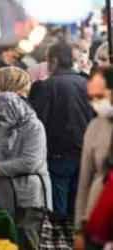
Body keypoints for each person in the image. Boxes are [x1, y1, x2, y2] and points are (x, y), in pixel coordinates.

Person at [0, 92, 52, 250]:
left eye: (4, 116)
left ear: (14, 109)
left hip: (30, 191)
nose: (2, 120)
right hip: (6, 191)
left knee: (28, 235)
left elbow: (31, 162)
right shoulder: (0, 127)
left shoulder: (34, 127)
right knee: (10, 235)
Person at [29, 41, 94, 217]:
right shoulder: (87, 84)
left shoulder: (46, 86)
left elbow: (36, 123)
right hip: (85, 155)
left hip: (58, 157)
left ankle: (61, 242)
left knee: (58, 211)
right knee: (79, 209)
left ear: (54, 61)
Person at [74, 67, 113, 250]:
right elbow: (85, 180)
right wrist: (79, 230)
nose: (96, 102)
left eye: (100, 96)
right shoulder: (95, 126)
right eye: (92, 98)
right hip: (97, 214)